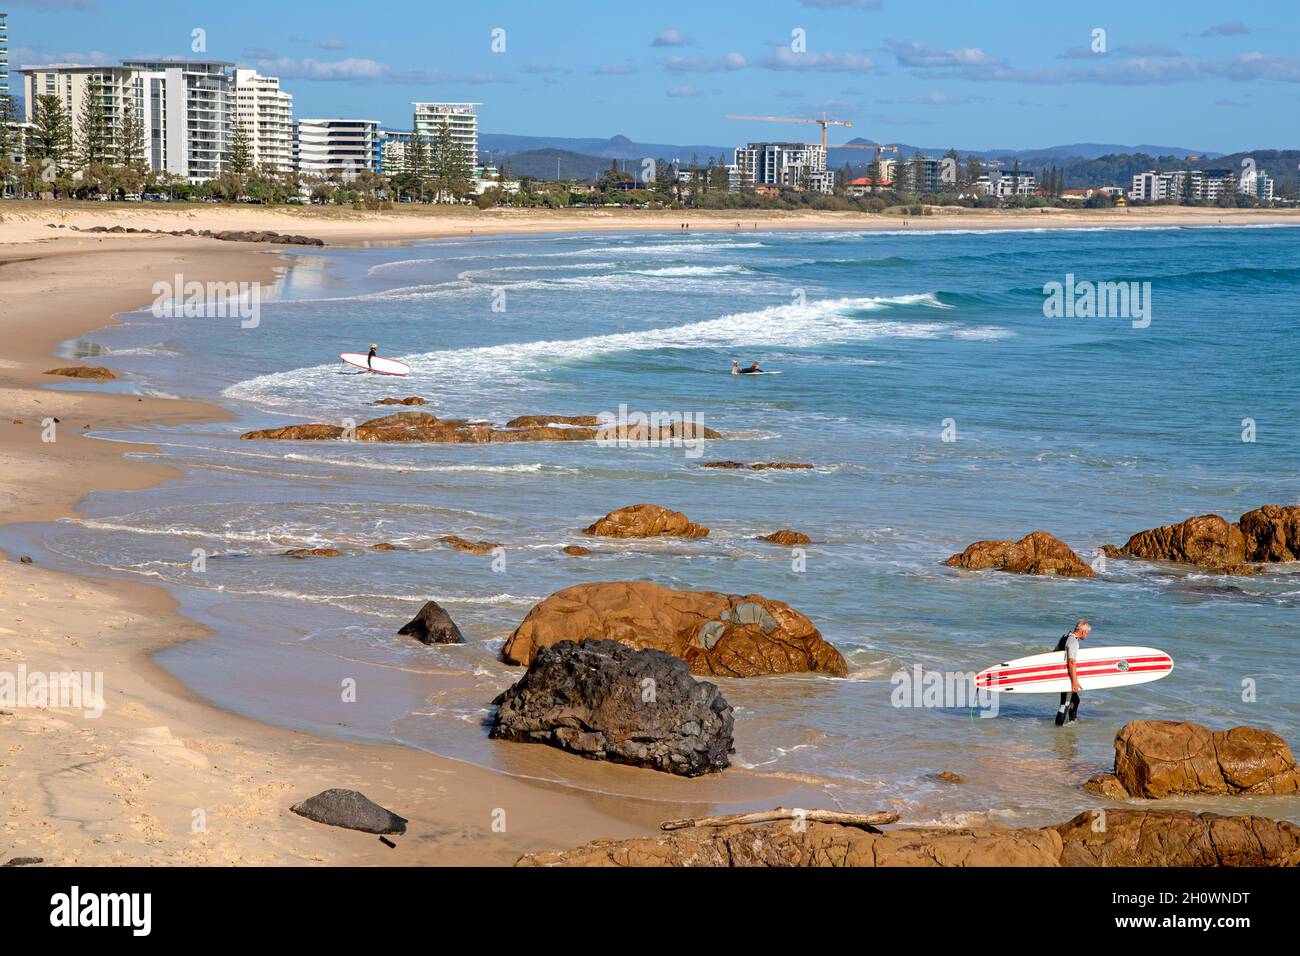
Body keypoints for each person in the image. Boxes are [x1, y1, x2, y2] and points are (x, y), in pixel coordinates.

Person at [1054, 619, 1091, 726]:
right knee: (1064, 703)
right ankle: (1059, 730)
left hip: (1062, 674)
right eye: (1087, 633)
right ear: (1083, 631)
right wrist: (1074, 682)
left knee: (1075, 700)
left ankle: (1072, 723)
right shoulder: (1074, 642)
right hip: (1067, 677)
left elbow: (1055, 653)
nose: (1087, 636)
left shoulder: (1065, 636)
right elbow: (1071, 662)